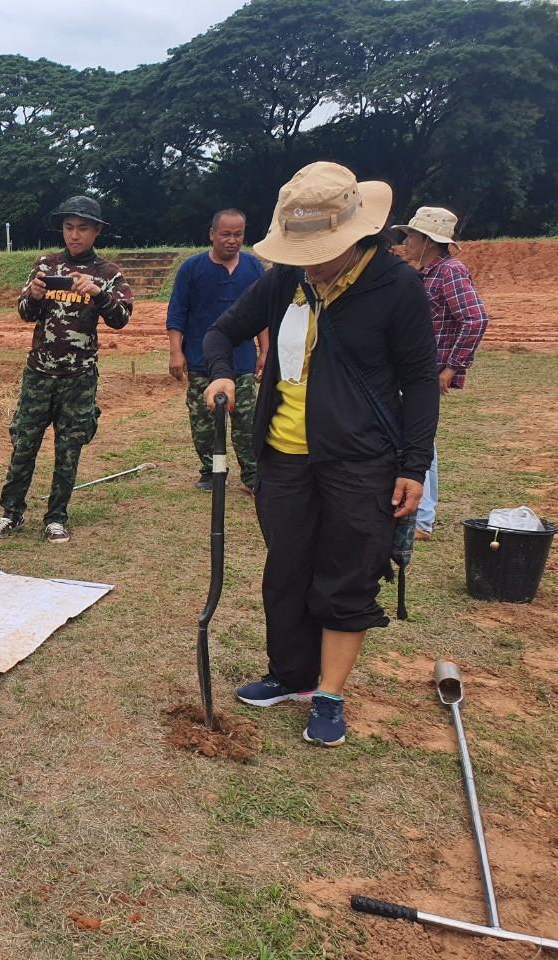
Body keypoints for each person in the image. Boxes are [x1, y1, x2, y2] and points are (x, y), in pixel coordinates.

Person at [202, 161, 438, 747]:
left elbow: (421, 381)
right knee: (285, 572)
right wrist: (220, 375)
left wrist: (414, 465)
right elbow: (221, 332)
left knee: (344, 577)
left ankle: (328, 693)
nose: (309, 258)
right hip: (283, 458)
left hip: (361, 462)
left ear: (358, 233)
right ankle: (291, 675)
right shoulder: (284, 280)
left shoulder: (396, 286)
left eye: (320, 247)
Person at [0, 195, 134, 544]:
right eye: (69, 228)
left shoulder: (108, 274)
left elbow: (121, 319)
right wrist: (35, 294)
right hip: (39, 373)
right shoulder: (46, 265)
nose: (74, 235)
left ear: (97, 231)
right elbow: (24, 312)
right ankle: (11, 512)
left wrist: (98, 294)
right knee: (24, 444)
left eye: (83, 228)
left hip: (79, 378)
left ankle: (56, 517)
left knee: (69, 450)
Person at [393, 207, 489, 540]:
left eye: (411, 237)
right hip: (412, 370)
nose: (406, 242)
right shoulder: (426, 273)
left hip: (428, 371)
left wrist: (451, 366)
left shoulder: (449, 272)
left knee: (420, 441)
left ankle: (422, 519)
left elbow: (475, 319)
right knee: (415, 438)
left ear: (428, 241)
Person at [167, 208, 268, 493]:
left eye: (238, 235)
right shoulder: (192, 268)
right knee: (204, 423)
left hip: (243, 361)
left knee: (246, 423)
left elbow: (262, 314)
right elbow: (177, 313)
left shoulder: (253, 268)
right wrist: (176, 352)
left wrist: (265, 350)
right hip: (201, 361)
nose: (232, 240)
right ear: (212, 234)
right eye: (226, 234)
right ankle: (212, 472)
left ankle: (252, 475)